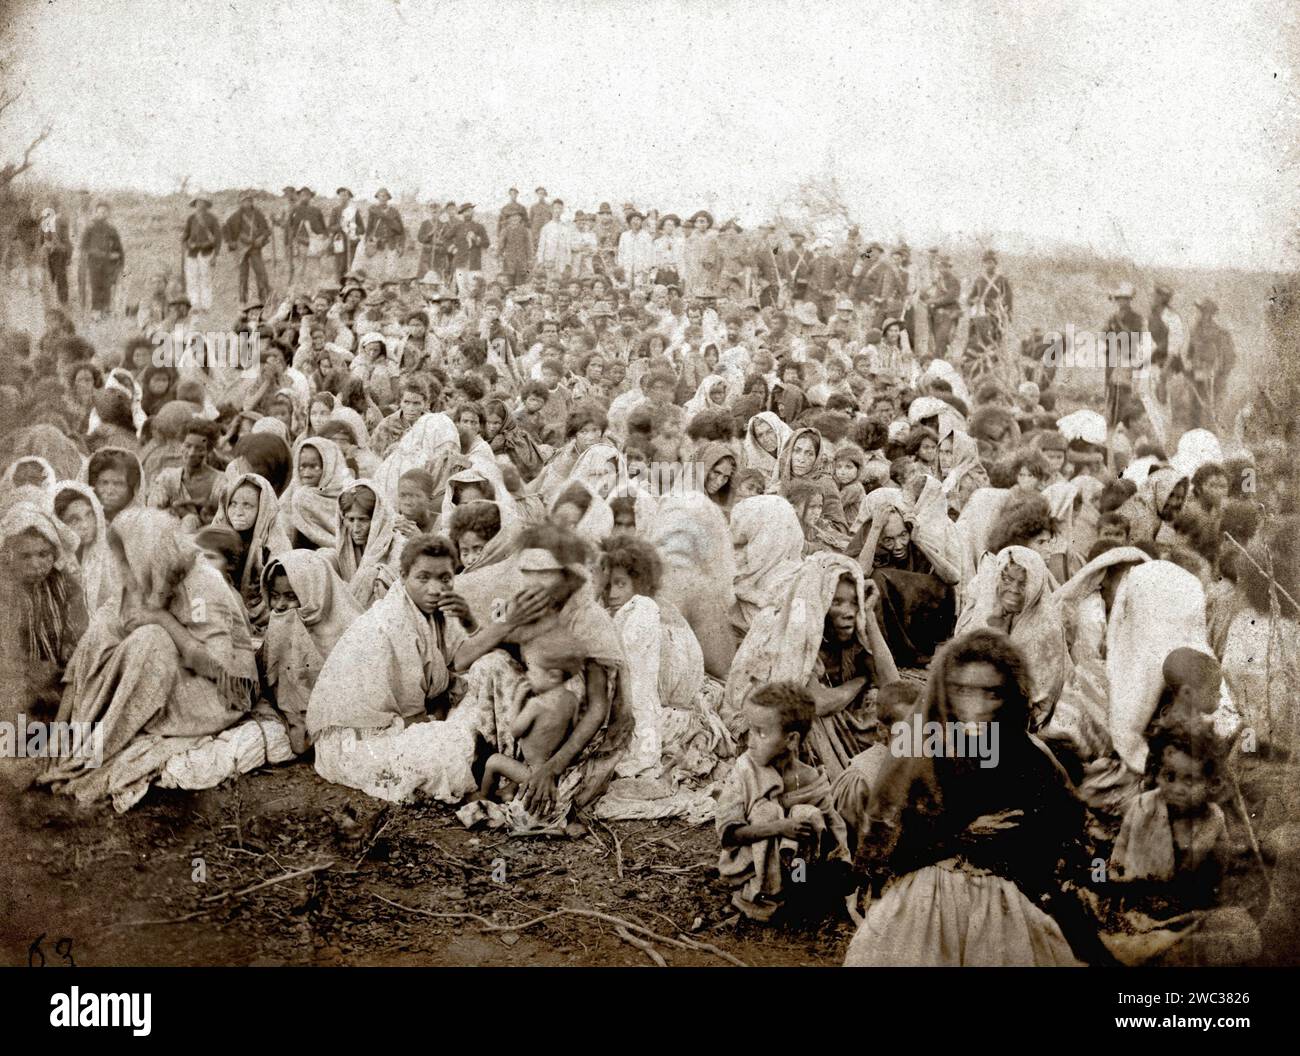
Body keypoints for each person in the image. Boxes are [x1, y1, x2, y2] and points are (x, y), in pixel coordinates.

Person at [844, 629, 1101, 966]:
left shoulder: (1027, 756)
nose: (976, 708)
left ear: (1009, 695)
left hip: (1004, 903)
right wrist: (960, 835)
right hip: (925, 899)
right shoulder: (920, 748)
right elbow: (890, 846)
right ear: (945, 692)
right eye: (963, 691)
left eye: (990, 694)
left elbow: (1064, 833)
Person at [41, 510, 260, 809]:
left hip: (218, 693)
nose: (124, 568)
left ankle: (101, 747)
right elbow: (90, 651)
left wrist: (162, 619)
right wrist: (62, 729)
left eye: (128, 558)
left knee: (151, 640)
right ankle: (83, 744)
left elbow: (219, 667)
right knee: (107, 629)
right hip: (167, 681)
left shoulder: (202, 584)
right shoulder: (137, 580)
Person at [307, 533, 480, 802]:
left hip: (390, 724)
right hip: (354, 740)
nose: (435, 589)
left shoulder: (427, 612)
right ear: (403, 576)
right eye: (423, 578)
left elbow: (455, 654)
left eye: (444, 579)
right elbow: (413, 712)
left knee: (476, 692)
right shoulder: (394, 620)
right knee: (447, 751)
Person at [716, 681, 851, 921]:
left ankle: (799, 890)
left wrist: (839, 860)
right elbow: (729, 834)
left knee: (807, 814)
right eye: (750, 729)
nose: (751, 741)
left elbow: (834, 831)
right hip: (753, 870)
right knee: (766, 811)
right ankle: (767, 895)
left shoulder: (811, 779)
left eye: (762, 732)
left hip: (798, 867)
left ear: (791, 740)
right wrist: (778, 828)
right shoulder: (745, 771)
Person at [260, 549, 362, 754]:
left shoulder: (351, 629)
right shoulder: (282, 623)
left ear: (315, 593)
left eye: (291, 596)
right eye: (274, 596)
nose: (280, 605)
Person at [476, 640, 582, 802]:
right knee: (529, 754)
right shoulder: (572, 699)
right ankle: (509, 791)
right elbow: (573, 731)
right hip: (556, 766)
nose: (526, 676)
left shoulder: (536, 704)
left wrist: (518, 700)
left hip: (535, 772)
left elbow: (515, 731)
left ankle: (484, 797)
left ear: (553, 675)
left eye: (531, 671)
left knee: (494, 761)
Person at [223, 191, 272, 305]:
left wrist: (262, 238)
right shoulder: (235, 216)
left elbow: (266, 229)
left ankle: (264, 298)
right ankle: (242, 300)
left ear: (252, 202)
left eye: (249, 201)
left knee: (261, 272)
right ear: (240, 203)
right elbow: (225, 229)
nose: (247, 203)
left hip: (255, 247)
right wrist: (231, 242)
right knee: (243, 275)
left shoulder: (258, 214)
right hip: (242, 249)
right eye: (244, 201)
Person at [80, 200, 124, 318]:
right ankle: (96, 312)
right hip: (94, 263)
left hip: (109, 264)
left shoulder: (111, 229)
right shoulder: (90, 228)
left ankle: (105, 310)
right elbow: (84, 247)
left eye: (105, 212)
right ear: (96, 212)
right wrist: (103, 255)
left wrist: (120, 262)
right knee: (95, 286)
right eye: (100, 212)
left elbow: (118, 247)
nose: (102, 214)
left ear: (108, 213)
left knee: (107, 286)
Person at [180, 193, 222, 312]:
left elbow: (218, 238)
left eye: (202, 202)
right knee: (192, 279)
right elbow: (185, 235)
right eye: (198, 202)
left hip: (206, 252)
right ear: (195, 204)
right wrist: (186, 243)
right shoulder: (191, 218)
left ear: (206, 204)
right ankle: (194, 305)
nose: (200, 205)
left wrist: (215, 255)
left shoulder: (212, 219)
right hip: (192, 253)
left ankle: (206, 305)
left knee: (206, 279)